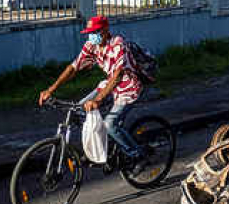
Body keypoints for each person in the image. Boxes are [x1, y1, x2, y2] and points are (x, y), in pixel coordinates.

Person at [38, 16, 150, 158]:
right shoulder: (92, 45)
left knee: (110, 124)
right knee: (78, 110)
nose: (92, 36)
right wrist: (50, 89)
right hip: (109, 84)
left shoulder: (118, 45)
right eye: (90, 33)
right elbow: (73, 67)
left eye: (95, 32)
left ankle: (136, 154)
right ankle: (104, 144)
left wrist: (98, 100)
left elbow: (118, 75)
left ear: (105, 30)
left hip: (129, 87)